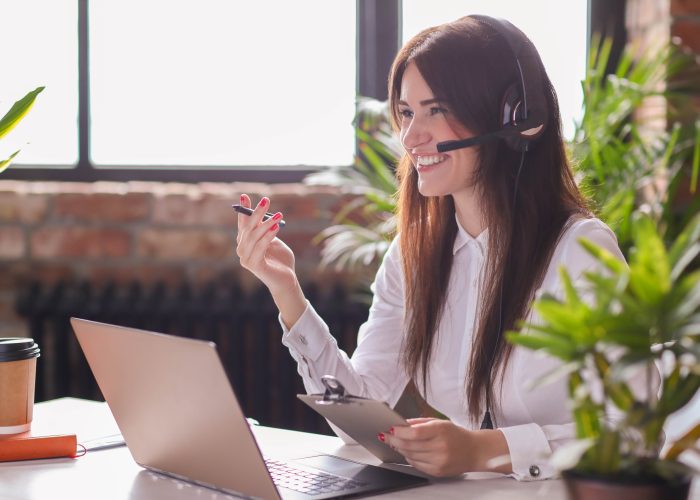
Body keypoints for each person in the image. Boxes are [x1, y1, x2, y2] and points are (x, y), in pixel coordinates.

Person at [235, 15, 626, 480]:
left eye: (436, 109)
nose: (410, 137)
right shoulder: (413, 253)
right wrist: (288, 295)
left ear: (512, 119)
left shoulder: (580, 251)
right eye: (406, 112)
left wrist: (486, 451)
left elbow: (631, 435)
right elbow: (361, 407)